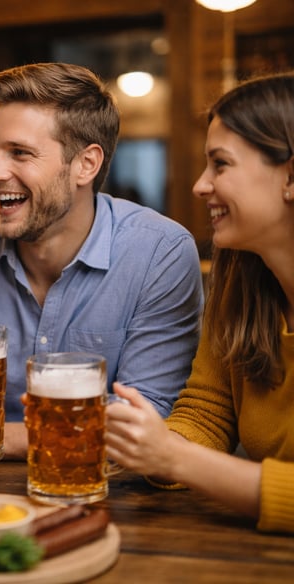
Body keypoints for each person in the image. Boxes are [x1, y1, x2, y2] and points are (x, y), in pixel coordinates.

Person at [0, 62, 203, 458]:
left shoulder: (159, 252)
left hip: (100, 495)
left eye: (20, 153)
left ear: (86, 164)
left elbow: (146, 422)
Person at [106, 72, 294, 533]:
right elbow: (208, 409)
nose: (200, 186)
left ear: (291, 177)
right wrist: (143, 443)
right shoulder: (244, 283)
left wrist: (175, 457)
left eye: (220, 164)